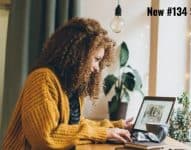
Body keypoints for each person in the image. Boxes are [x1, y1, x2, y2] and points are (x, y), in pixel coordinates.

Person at [2, 17, 134, 150]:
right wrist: (104, 133)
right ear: (79, 55)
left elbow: (75, 126)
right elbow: (45, 138)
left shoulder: (72, 84)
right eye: (96, 59)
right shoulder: (43, 79)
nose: (97, 68)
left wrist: (117, 126)